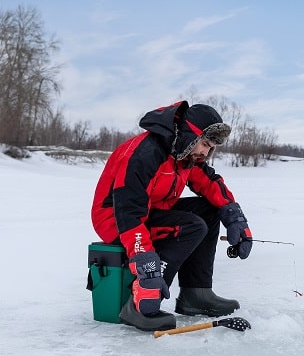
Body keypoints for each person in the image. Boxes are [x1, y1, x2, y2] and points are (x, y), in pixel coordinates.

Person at [91, 101, 253, 332]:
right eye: (205, 144)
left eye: (210, 148)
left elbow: (209, 183)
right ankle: (140, 302)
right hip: (116, 219)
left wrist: (235, 218)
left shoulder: (183, 153)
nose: (205, 153)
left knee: (207, 210)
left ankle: (196, 293)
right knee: (191, 226)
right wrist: (145, 263)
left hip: (151, 213)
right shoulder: (144, 154)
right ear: (190, 135)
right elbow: (128, 212)